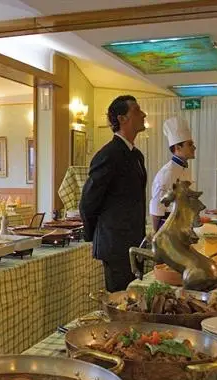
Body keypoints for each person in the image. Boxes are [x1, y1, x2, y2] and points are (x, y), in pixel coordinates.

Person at [80, 95, 148, 293]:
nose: (143, 114)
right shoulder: (108, 154)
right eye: (137, 111)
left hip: (135, 242)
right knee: (120, 304)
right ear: (122, 119)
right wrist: (97, 235)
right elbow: (88, 201)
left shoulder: (136, 155)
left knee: (134, 301)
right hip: (115, 244)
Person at [150, 116, 196, 231]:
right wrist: (157, 237)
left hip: (182, 224)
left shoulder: (184, 168)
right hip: (168, 227)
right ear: (177, 147)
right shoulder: (168, 172)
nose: (194, 148)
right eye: (189, 144)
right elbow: (157, 207)